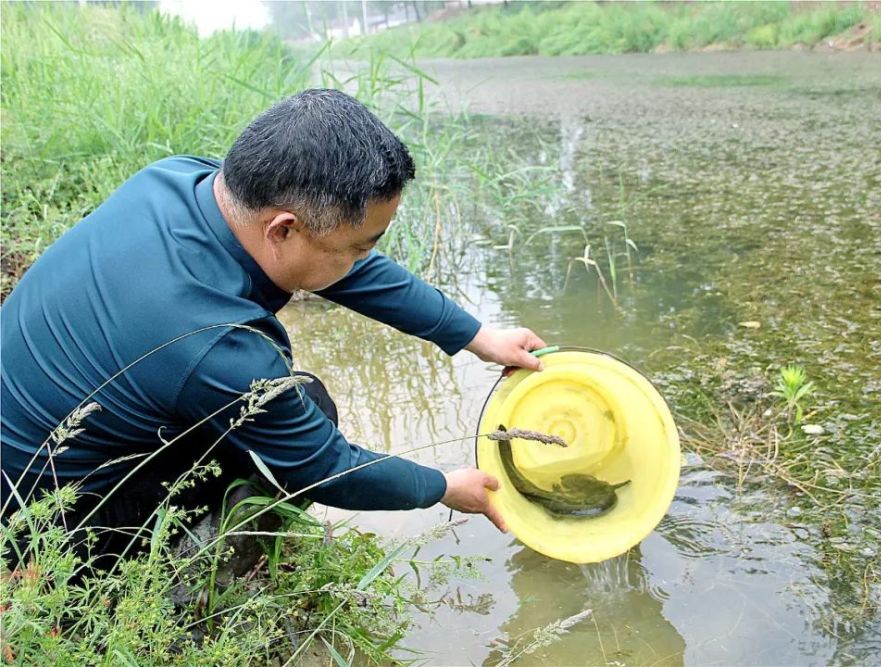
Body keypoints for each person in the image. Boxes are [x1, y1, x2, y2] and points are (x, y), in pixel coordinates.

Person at [0, 88, 544, 563]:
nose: (361, 259)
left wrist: (478, 337)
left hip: (33, 441)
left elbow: (339, 267)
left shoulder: (175, 181)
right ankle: (202, 555)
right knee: (308, 407)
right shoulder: (216, 346)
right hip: (43, 520)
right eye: (358, 246)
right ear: (283, 228)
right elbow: (325, 466)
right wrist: (443, 487)